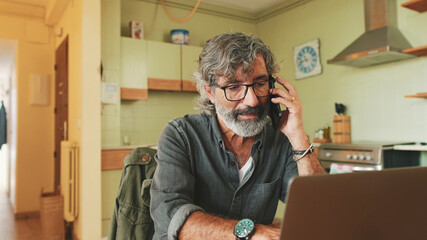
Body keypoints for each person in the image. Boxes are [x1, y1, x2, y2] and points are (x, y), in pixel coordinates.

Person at [150, 32, 325, 240]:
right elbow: (169, 218)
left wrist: (298, 135)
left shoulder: (281, 140)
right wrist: (252, 233)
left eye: (259, 84)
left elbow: (320, 213)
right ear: (210, 92)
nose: (251, 100)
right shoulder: (181, 135)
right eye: (233, 87)